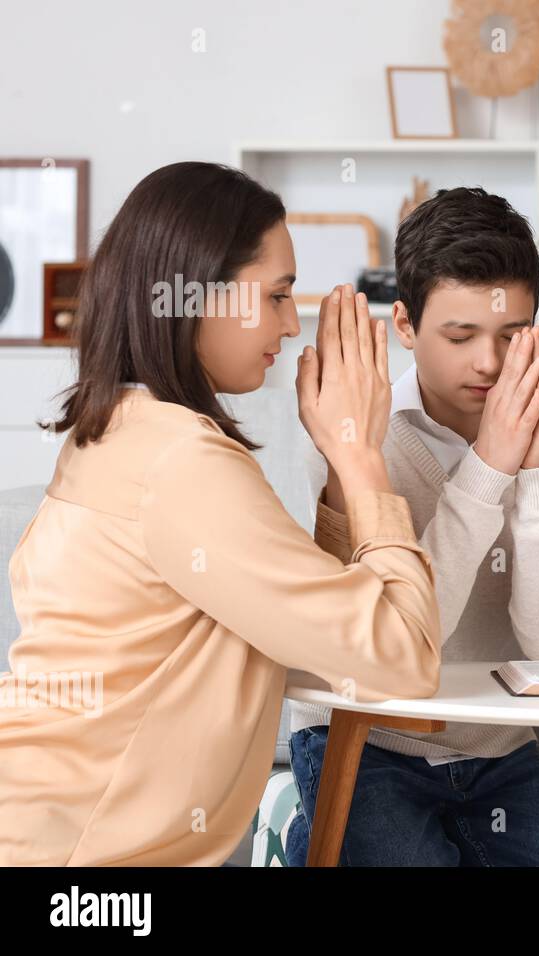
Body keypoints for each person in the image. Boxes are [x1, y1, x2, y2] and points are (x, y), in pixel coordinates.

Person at [0, 162, 442, 865]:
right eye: (274, 296)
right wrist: (364, 460)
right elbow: (401, 656)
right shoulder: (183, 464)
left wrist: (337, 471)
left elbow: (316, 626)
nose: (290, 323)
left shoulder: (123, 430)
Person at [286, 187, 539, 866]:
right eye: (460, 336)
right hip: (365, 735)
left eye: (512, 334)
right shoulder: (353, 438)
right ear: (404, 324)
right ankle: (301, 824)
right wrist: (488, 469)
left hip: (499, 746)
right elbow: (392, 647)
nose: (488, 363)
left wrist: (538, 468)